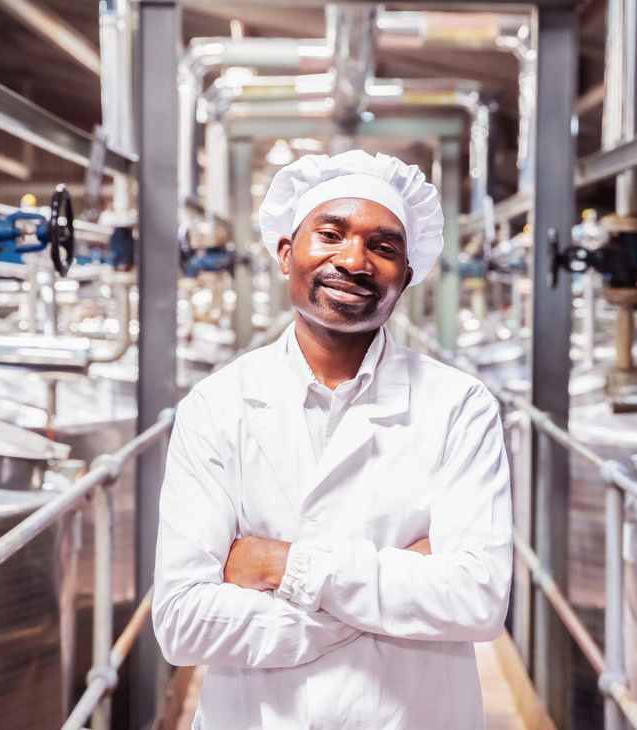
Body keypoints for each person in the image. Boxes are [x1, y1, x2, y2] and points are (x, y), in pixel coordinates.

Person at [152, 149, 513, 730]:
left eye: (384, 246)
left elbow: (477, 601)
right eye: (331, 233)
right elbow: (182, 623)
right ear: (285, 252)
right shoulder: (216, 407)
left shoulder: (459, 407)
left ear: (408, 273)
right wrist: (390, 590)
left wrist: (280, 566)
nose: (355, 260)